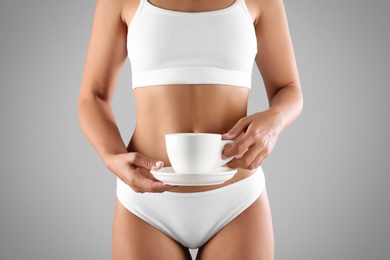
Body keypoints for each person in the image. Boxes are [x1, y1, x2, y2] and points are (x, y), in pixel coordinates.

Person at [78, 0, 303, 258]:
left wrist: (275, 121)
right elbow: (92, 96)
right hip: (147, 202)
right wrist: (112, 156)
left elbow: (289, 87)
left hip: (237, 199)